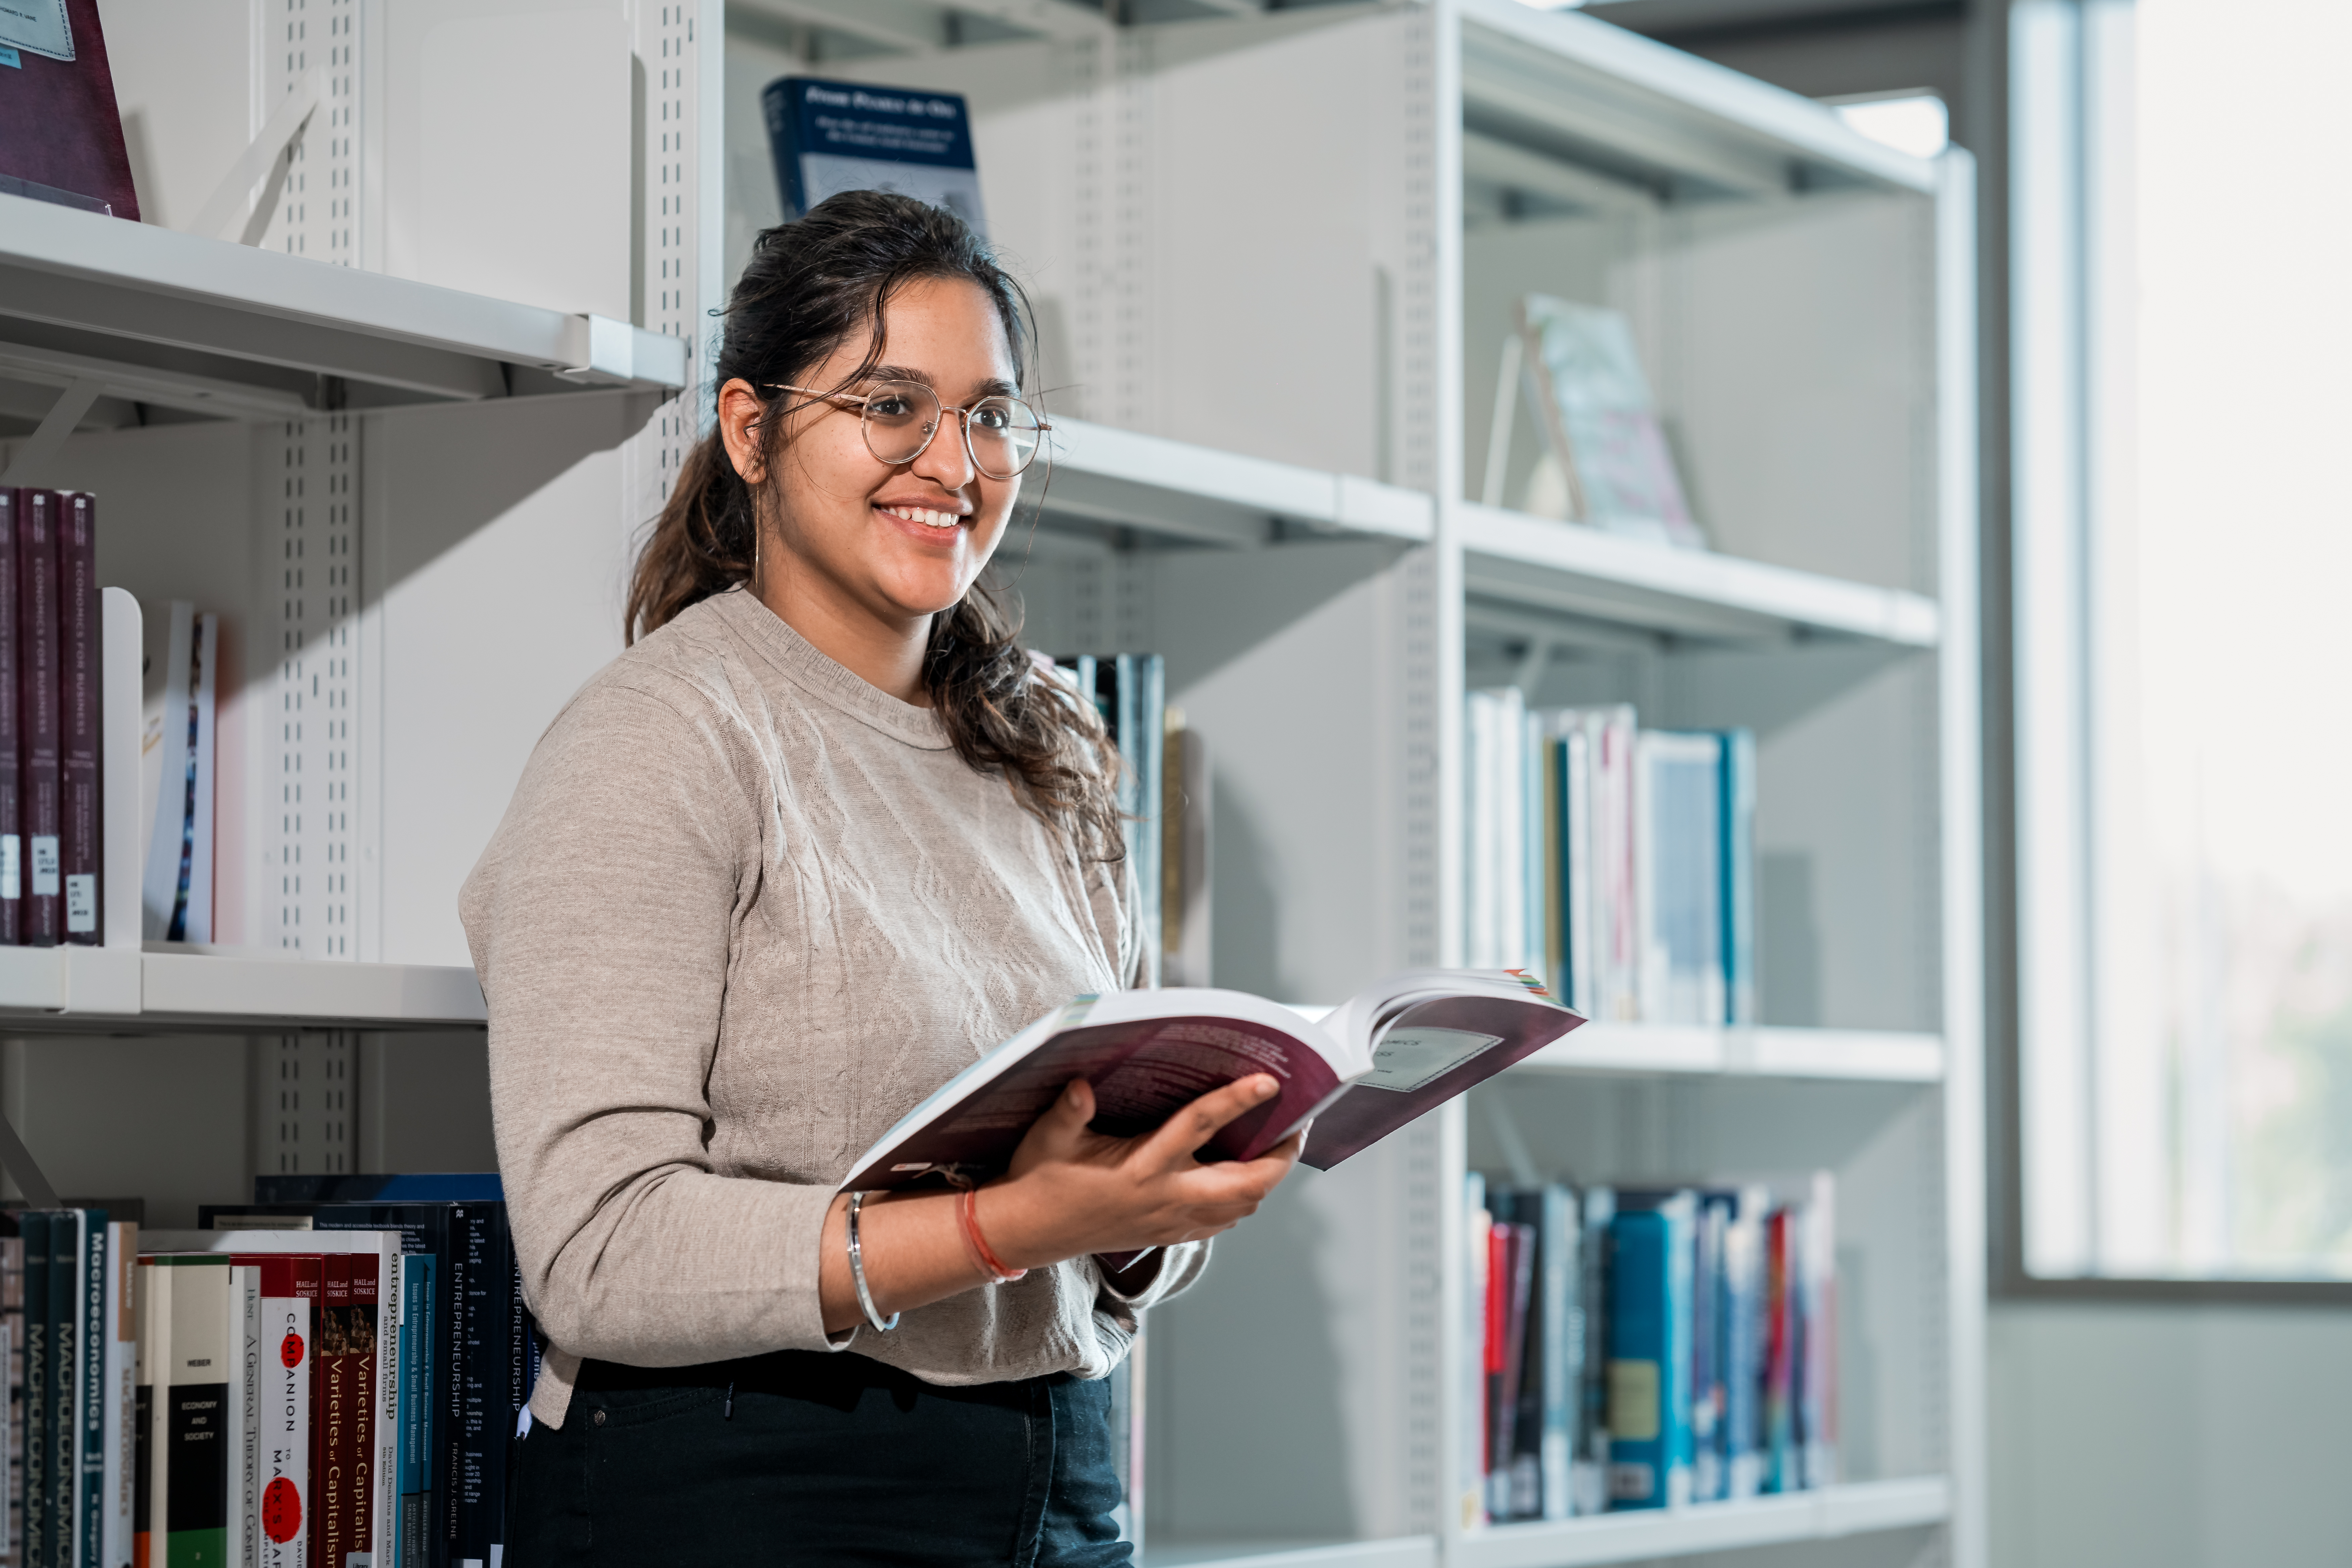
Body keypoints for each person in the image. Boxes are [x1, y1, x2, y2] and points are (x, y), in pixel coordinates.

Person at [460, 189, 1301, 1566]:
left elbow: (1100, 1238)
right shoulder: (659, 739)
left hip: (1061, 1477)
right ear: (751, 430)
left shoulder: (1053, 732)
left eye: (990, 415)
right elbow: (598, 1252)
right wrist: (1008, 1223)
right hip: (753, 1479)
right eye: (891, 403)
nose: (952, 461)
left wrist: (1151, 1203)